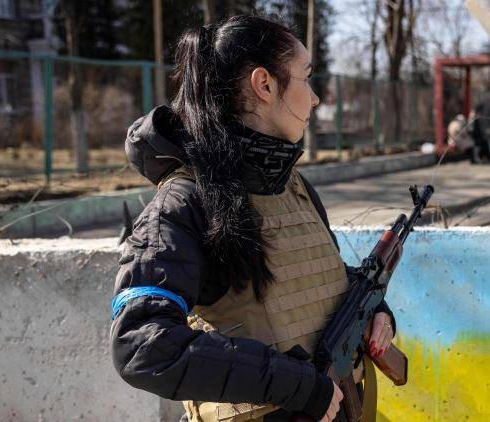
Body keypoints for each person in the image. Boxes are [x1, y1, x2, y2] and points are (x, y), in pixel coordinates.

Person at [110, 16, 396, 422]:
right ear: (264, 85)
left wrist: (375, 309)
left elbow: (314, 277)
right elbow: (142, 345)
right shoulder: (183, 202)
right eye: (305, 77)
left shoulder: (293, 185)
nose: (314, 98)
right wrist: (295, 384)